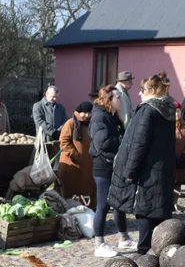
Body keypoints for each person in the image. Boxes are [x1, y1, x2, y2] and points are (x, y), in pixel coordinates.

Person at [108, 72, 176, 254]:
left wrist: (130, 171)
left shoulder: (148, 110)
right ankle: (163, 251)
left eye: (142, 90)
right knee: (158, 210)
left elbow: (139, 143)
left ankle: (144, 252)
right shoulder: (168, 110)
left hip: (147, 170)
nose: (139, 94)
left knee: (145, 210)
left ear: (152, 91)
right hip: (161, 169)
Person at [89, 86, 136, 257]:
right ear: (108, 100)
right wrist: (122, 142)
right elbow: (103, 142)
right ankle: (99, 244)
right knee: (103, 205)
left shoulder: (112, 116)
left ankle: (124, 239)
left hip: (115, 166)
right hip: (103, 166)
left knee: (119, 203)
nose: (120, 100)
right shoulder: (99, 117)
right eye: (117, 97)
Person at [57, 101, 95, 204]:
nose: (87, 115)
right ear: (79, 112)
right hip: (72, 163)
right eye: (85, 112)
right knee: (68, 190)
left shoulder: (91, 124)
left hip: (86, 164)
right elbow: (64, 142)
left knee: (87, 188)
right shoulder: (71, 123)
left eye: (89, 112)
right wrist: (76, 155)